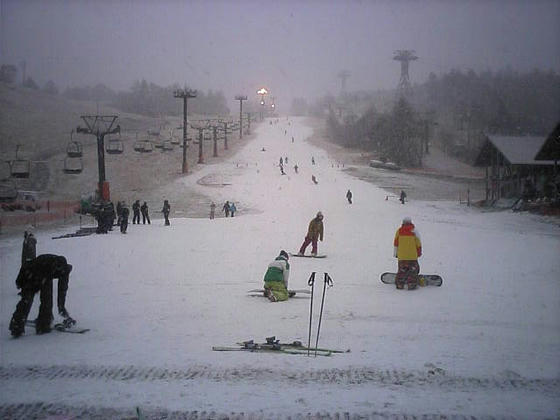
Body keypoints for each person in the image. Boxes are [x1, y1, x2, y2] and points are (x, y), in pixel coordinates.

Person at [9, 254, 74, 337]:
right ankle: (16, 326)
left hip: (46, 277)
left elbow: (62, 289)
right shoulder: (42, 263)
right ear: (53, 266)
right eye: (56, 268)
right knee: (26, 301)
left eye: (59, 269)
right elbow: (25, 267)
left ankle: (44, 324)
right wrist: (20, 283)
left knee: (47, 301)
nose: (57, 270)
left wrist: (61, 307)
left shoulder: (64, 270)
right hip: (31, 276)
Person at [393, 217, 422, 290]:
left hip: (402, 256)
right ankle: (411, 283)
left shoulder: (399, 231)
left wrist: (395, 253)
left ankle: (400, 283)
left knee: (402, 269)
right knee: (413, 270)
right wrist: (418, 253)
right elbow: (418, 244)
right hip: (412, 256)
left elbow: (396, 243)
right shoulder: (415, 231)